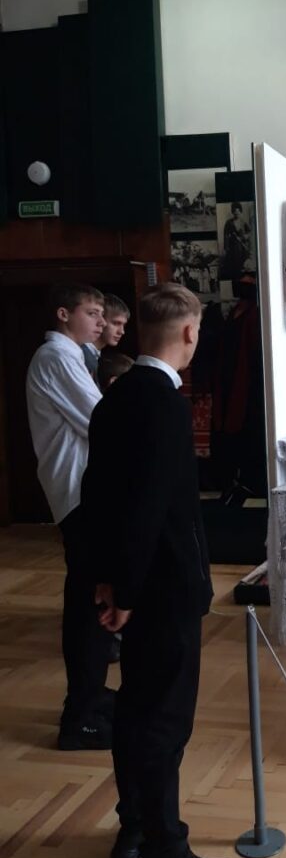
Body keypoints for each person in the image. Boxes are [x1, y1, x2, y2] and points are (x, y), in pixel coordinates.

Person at [80, 283, 237, 858]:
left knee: (135, 712)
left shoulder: (115, 397)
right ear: (190, 332)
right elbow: (148, 509)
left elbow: (98, 497)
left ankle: (135, 830)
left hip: (134, 584)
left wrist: (108, 579)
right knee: (164, 723)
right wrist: (129, 588)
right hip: (162, 590)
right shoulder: (167, 405)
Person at [26, 282, 114, 750]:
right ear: (64, 314)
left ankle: (90, 697)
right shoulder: (57, 357)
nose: (101, 322)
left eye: (102, 314)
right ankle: (80, 716)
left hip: (84, 492)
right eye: (92, 313)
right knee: (87, 606)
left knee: (92, 601)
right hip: (79, 494)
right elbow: (100, 420)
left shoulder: (71, 357)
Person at [82, 294, 131, 379]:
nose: (122, 331)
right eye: (116, 323)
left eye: (123, 325)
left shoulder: (93, 355)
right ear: (100, 320)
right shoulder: (82, 355)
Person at [219, 202, 252, 282]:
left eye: (238, 211)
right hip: (232, 247)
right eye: (234, 212)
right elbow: (226, 236)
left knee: (242, 265)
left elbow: (250, 232)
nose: (236, 213)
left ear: (240, 211)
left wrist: (245, 236)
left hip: (242, 247)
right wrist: (226, 248)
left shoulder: (243, 222)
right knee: (232, 265)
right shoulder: (229, 222)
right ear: (232, 212)